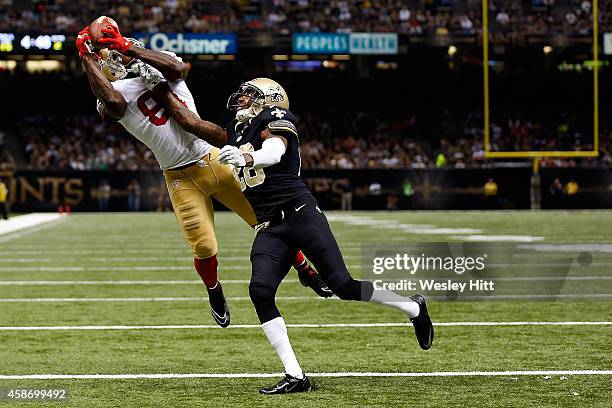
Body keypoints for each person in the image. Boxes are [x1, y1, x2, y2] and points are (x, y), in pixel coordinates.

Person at [147, 76, 434, 394]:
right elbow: (193, 124)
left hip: (300, 213)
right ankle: (296, 375)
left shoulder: (276, 118)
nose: (241, 99)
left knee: (344, 285)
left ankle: (413, 308)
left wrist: (247, 157)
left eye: (249, 95)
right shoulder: (239, 129)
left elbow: (274, 150)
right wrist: (161, 92)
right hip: (271, 226)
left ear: (267, 99)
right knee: (259, 290)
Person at [75, 20, 330, 328]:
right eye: (107, 52)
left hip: (213, 158)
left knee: (268, 221)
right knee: (205, 246)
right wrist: (86, 56)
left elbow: (179, 69)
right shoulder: (111, 91)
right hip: (178, 176)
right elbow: (113, 105)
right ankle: (214, 290)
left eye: (114, 48)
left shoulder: (156, 60)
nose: (113, 58)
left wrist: (130, 49)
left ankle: (306, 270)